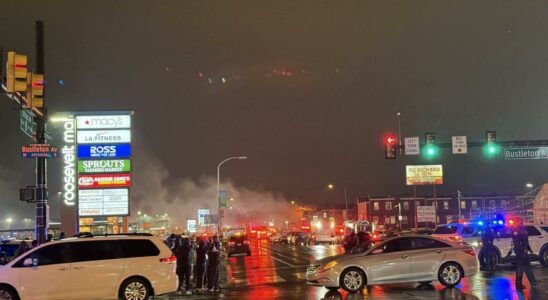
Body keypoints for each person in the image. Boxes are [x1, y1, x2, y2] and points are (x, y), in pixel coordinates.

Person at [508, 217, 538, 290]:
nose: (521, 222)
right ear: (517, 222)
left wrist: (529, 249)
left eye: (522, 221)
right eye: (520, 221)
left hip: (525, 251)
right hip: (520, 252)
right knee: (521, 268)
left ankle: (530, 282)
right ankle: (522, 284)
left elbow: (526, 241)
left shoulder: (523, 230)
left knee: (525, 267)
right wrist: (522, 249)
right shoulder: (515, 230)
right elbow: (517, 243)